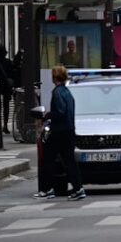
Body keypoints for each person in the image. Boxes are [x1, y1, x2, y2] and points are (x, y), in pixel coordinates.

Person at [34, 65, 86, 201]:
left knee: (47, 159)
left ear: (54, 77)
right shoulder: (67, 91)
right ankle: (78, 189)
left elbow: (60, 112)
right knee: (69, 162)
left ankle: (47, 189)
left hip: (59, 131)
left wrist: (47, 115)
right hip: (69, 130)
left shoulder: (57, 92)